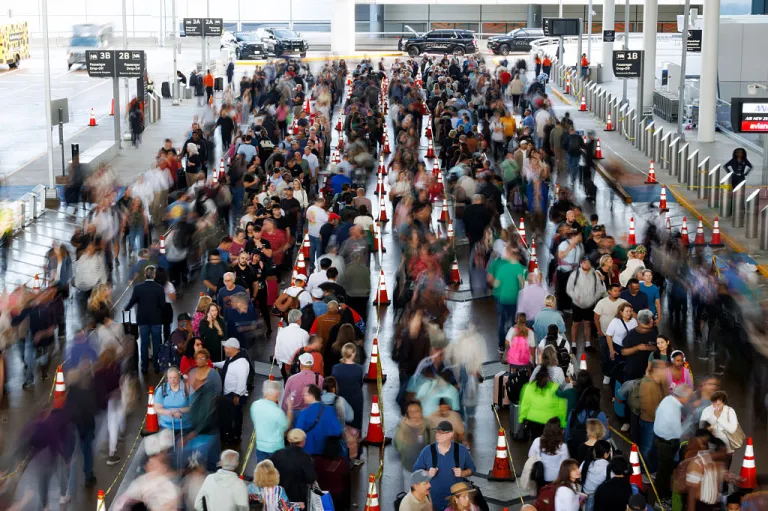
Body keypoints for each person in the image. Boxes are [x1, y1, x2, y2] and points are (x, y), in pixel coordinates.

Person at [412, 421, 477, 511]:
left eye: (441, 433)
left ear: (450, 434)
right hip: (433, 501)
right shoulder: (427, 451)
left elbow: (472, 469)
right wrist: (427, 473)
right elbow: (416, 471)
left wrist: (463, 473)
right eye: (437, 432)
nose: (438, 435)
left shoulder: (461, 450)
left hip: (456, 503)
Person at [654, 384, 693, 506]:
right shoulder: (673, 410)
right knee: (664, 471)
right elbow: (679, 433)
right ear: (683, 397)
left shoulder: (667, 400)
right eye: (689, 397)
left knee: (663, 469)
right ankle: (661, 499)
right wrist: (690, 423)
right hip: (666, 444)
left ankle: (662, 493)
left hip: (660, 438)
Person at [124, 265, 166, 373]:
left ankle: (144, 367)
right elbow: (163, 305)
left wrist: (125, 309)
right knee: (157, 344)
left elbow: (132, 302)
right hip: (156, 320)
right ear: (154, 275)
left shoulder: (138, 288)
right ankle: (156, 366)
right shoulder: (160, 288)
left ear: (144, 274)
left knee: (144, 343)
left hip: (142, 320)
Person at [487, 244, 526, 354]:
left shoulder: (503, 268)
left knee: (501, 321)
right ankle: (513, 343)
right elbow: (522, 283)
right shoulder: (518, 266)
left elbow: (496, 283)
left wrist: (500, 286)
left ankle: (501, 346)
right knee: (513, 321)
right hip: (514, 300)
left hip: (502, 299)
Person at [214, 338, 252, 445]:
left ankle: (235, 437)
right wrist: (213, 364)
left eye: (226, 347)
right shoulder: (233, 359)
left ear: (233, 348)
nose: (224, 349)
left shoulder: (241, 363)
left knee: (235, 417)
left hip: (234, 396)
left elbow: (242, 380)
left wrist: (237, 396)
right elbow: (225, 364)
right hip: (229, 395)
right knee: (230, 415)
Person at [270, 429, 318, 508]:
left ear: (289, 440)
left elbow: (269, 469)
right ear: (303, 442)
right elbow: (311, 477)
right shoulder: (305, 458)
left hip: (279, 495)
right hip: (297, 497)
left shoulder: (277, 454)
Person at [566, 257, 604, 352]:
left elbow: (600, 288)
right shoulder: (575, 274)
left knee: (588, 324)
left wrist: (593, 299)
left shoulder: (595, 275)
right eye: (585, 263)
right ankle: (574, 345)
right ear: (581, 264)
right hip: (577, 304)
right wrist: (575, 297)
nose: (587, 265)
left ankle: (588, 344)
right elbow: (569, 289)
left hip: (590, 304)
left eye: (588, 263)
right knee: (576, 324)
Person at [394, 401, 435, 490]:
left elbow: (434, 444)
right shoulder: (401, 427)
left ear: (421, 411)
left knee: (426, 493)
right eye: (411, 412)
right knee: (409, 492)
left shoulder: (428, 425)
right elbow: (398, 445)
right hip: (409, 467)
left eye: (416, 411)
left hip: (425, 469)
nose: (414, 414)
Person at [294, 384, 343, 456]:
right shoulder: (330, 410)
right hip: (327, 452)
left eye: (304, 395)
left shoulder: (304, 413)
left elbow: (298, 434)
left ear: (312, 396)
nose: (302, 397)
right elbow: (338, 431)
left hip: (309, 452)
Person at [250, 379, 291, 462]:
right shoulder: (278, 412)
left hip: (260, 446)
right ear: (277, 394)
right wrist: (290, 409)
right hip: (276, 448)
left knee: (262, 471)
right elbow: (286, 427)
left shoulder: (255, 405)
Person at [593, 284, 627, 384]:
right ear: (609, 292)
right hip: (604, 333)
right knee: (605, 355)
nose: (617, 292)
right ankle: (606, 374)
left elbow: (630, 313)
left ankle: (617, 374)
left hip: (619, 336)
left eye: (618, 291)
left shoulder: (623, 303)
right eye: (615, 290)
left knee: (617, 355)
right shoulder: (602, 303)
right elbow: (596, 318)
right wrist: (600, 332)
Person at [699, 390, 740, 467]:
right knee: (711, 471)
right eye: (714, 403)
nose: (716, 406)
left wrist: (720, 418)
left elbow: (732, 429)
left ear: (724, 403)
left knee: (724, 471)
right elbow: (701, 428)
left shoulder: (730, 411)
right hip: (711, 448)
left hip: (727, 449)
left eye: (719, 404)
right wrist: (714, 417)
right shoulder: (707, 410)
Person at [685, 439, 728, 511]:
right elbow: (691, 491)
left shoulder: (719, 464)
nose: (724, 455)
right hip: (700, 506)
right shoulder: (697, 463)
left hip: (713, 506)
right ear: (715, 452)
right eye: (723, 453)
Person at [529, 417, 571, 489]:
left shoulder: (537, 441)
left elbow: (530, 456)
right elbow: (564, 464)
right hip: (556, 479)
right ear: (560, 431)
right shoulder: (563, 446)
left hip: (540, 476)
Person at [332, 342, 364, 430]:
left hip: (340, 398)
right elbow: (360, 383)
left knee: (340, 423)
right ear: (353, 353)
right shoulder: (359, 369)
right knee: (356, 424)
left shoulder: (336, 368)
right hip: (355, 399)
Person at [621, 309, 657, 382]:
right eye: (650, 320)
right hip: (634, 371)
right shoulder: (631, 335)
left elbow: (659, 347)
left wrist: (653, 348)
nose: (652, 321)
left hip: (650, 369)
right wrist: (637, 348)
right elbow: (624, 352)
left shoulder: (654, 332)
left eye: (652, 319)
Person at [275, 309, 310, 381]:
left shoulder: (282, 332)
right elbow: (306, 352)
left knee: (287, 385)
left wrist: (280, 365)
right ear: (299, 319)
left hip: (284, 365)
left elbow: (277, 350)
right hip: (298, 366)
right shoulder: (304, 333)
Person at [154, 366, 191, 433]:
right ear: (167, 378)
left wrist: (178, 410)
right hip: (166, 426)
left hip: (186, 425)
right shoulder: (162, 389)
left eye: (175, 377)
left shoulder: (187, 388)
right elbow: (157, 408)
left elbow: (193, 406)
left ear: (179, 377)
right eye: (170, 378)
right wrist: (171, 412)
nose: (172, 380)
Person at [581, 440, 611, 511]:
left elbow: (579, 473)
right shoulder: (607, 466)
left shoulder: (587, 461)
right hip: (593, 493)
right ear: (606, 454)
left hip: (584, 490)